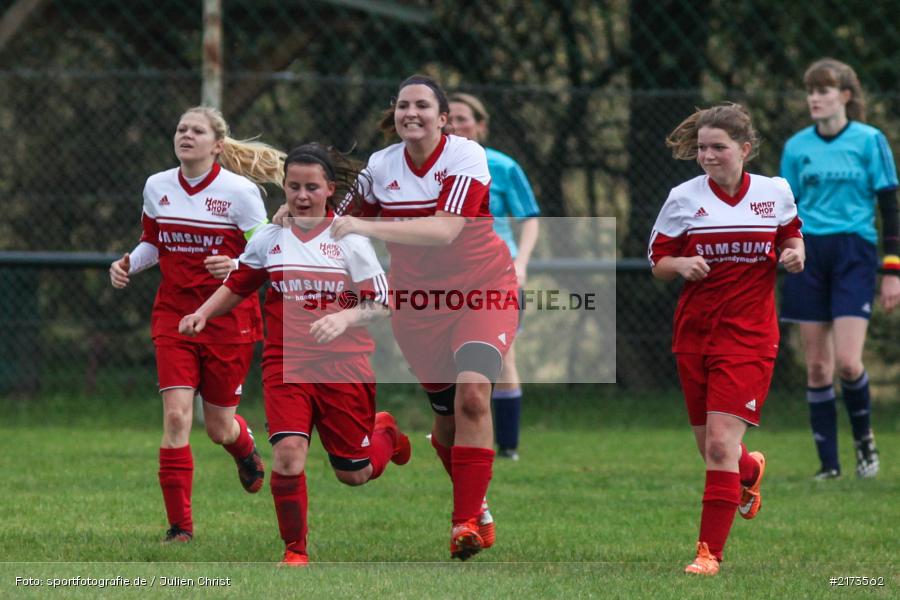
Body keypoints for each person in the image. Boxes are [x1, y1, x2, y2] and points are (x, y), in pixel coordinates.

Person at [179, 143, 410, 566]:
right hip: (286, 364)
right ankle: (295, 550)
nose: (302, 196)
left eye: (311, 187)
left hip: (344, 366)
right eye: (293, 187)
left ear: (329, 189)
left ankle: (385, 434)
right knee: (287, 456)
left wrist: (343, 319)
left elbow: (382, 302)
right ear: (283, 187)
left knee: (354, 473)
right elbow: (240, 284)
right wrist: (202, 312)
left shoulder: (350, 239)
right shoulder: (271, 237)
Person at [330, 74, 519, 561]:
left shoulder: (465, 155)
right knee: (448, 423)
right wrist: (297, 214)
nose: (410, 113)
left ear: (442, 117)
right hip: (418, 306)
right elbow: (340, 218)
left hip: (483, 290)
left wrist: (362, 224)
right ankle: (478, 507)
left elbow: (445, 230)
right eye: (402, 106)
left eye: (422, 106)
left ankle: (462, 523)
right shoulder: (381, 164)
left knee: (474, 397)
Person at [109, 106, 284, 543]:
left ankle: (243, 446)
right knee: (175, 417)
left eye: (197, 130)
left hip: (228, 318)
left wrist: (235, 263)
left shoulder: (240, 192)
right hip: (174, 315)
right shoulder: (157, 186)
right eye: (181, 128)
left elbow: (264, 252)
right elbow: (153, 241)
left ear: (217, 145)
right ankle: (179, 528)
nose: (186, 135)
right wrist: (131, 262)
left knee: (218, 426)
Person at [648, 103, 805, 575]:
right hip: (694, 333)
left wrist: (795, 254)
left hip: (751, 335)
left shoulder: (774, 193)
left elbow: (792, 238)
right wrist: (680, 265)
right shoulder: (683, 197)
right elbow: (657, 262)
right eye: (702, 148)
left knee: (718, 445)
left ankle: (708, 554)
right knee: (713, 450)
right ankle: (750, 472)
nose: (708, 156)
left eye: (718, 147)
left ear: (745, 149)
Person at [780, 58, 899, 481]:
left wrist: (892, 271)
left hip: (854, 254)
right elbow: (786, 210)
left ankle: (865, 443)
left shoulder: (870, 141)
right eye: (811, 91)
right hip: (809, 255)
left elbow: (889, 205)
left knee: (848, 362)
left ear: (845, 96)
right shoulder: (796, 147)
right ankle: (828, 465)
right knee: (817, 367)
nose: (814, 98)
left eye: (824, 90)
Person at [448, 92, 541, 461]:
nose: (455, 125)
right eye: (449, 118)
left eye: (463, 118)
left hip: (497, 273)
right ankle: (462, 437)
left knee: (503, 357)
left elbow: (529, 217)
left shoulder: (501, 166)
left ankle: (507, 446)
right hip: (449, 276)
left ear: (481, 125)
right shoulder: (434, 168)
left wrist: (523, 263)